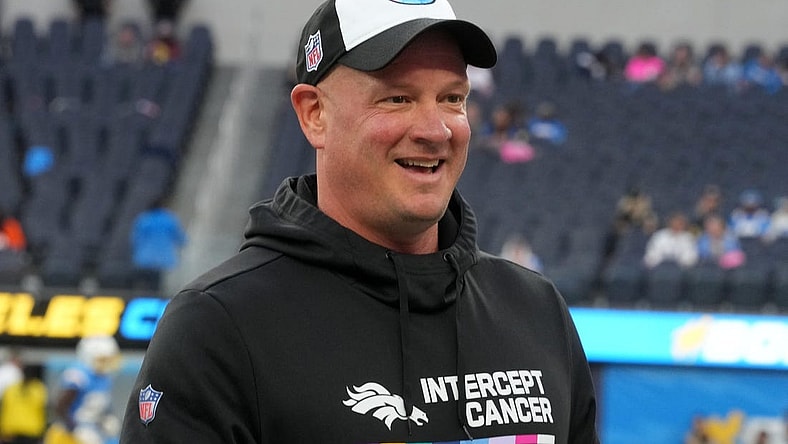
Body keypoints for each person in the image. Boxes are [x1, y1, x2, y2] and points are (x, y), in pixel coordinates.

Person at [120, 0, 600, 442]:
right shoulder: (219, 327)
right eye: (397, 98)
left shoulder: (536, 311)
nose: (435, 130)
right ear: (314, 115)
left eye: (452, 98)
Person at [44, 335, 121, 444]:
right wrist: (74, 428)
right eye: (102, 360)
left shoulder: (105, 377)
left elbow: (101, 406)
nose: (106, 364)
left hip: (91, 432)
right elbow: (60, 406)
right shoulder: (78, 375)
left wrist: (106, 420)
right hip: (67, 436)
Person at [130, 197, 187, 289]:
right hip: (163, 262)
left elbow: (135, 240)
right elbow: (182, 240)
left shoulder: (144, 219)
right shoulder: (169, 219)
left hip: (144, 261)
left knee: (143, 288)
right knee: (159, 290)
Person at [0, 364, 48, 444]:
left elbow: (3, 407)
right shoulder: (38, 388)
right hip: (31, 429)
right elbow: (43, 408)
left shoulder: (11, 388)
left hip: (11, 428)